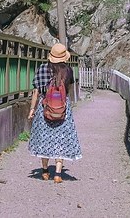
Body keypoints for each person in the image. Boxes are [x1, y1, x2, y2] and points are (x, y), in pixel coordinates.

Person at [27, 42, 82, 182]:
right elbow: (67, 90)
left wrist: (32, 109)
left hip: (45, 107)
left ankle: (45, 171)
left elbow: (36, 91)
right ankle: (58, 173)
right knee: (61, 139)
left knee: (44, 138)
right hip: (63, 109)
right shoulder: (68, 71)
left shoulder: (42, 69)